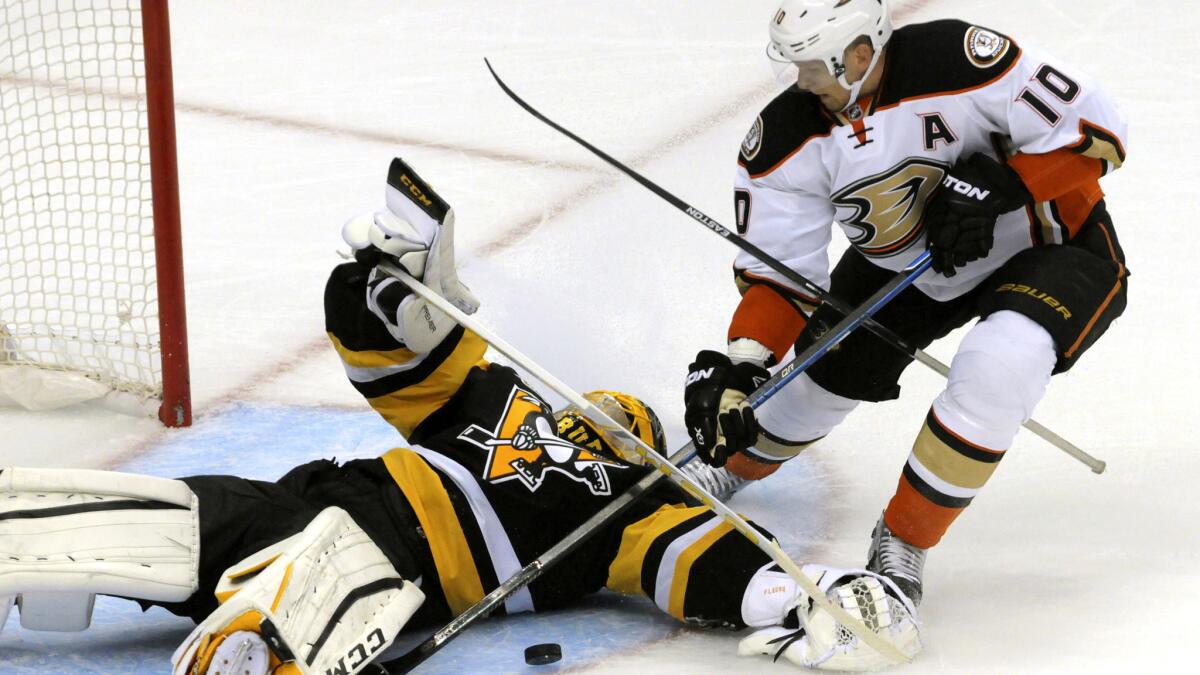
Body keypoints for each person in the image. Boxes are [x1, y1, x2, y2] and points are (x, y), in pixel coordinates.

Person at [0, 158, 919, 674]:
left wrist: (817, 594)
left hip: (407, 561)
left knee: (325, 574)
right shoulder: (512, 396)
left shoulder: (639, 515)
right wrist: (383, 285)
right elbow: (391, 354)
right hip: (323, 494)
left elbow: (720, 570)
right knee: (179, 521)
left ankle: (260, 646)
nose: (611, 409)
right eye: (612, 405)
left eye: (628, 417)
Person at [681, 0, 1129, 608]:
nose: (800, 81)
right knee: (814, 385)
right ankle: (732, 463)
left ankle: (903, 541)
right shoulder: (784, 138)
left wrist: (1009, 184)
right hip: (908, 264)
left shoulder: (959, 59)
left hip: (1050, 240)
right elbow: (782, 279)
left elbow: (1098, 133)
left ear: (859, 55)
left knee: (1001, 364)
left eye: (812, 65)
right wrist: (742, 363)